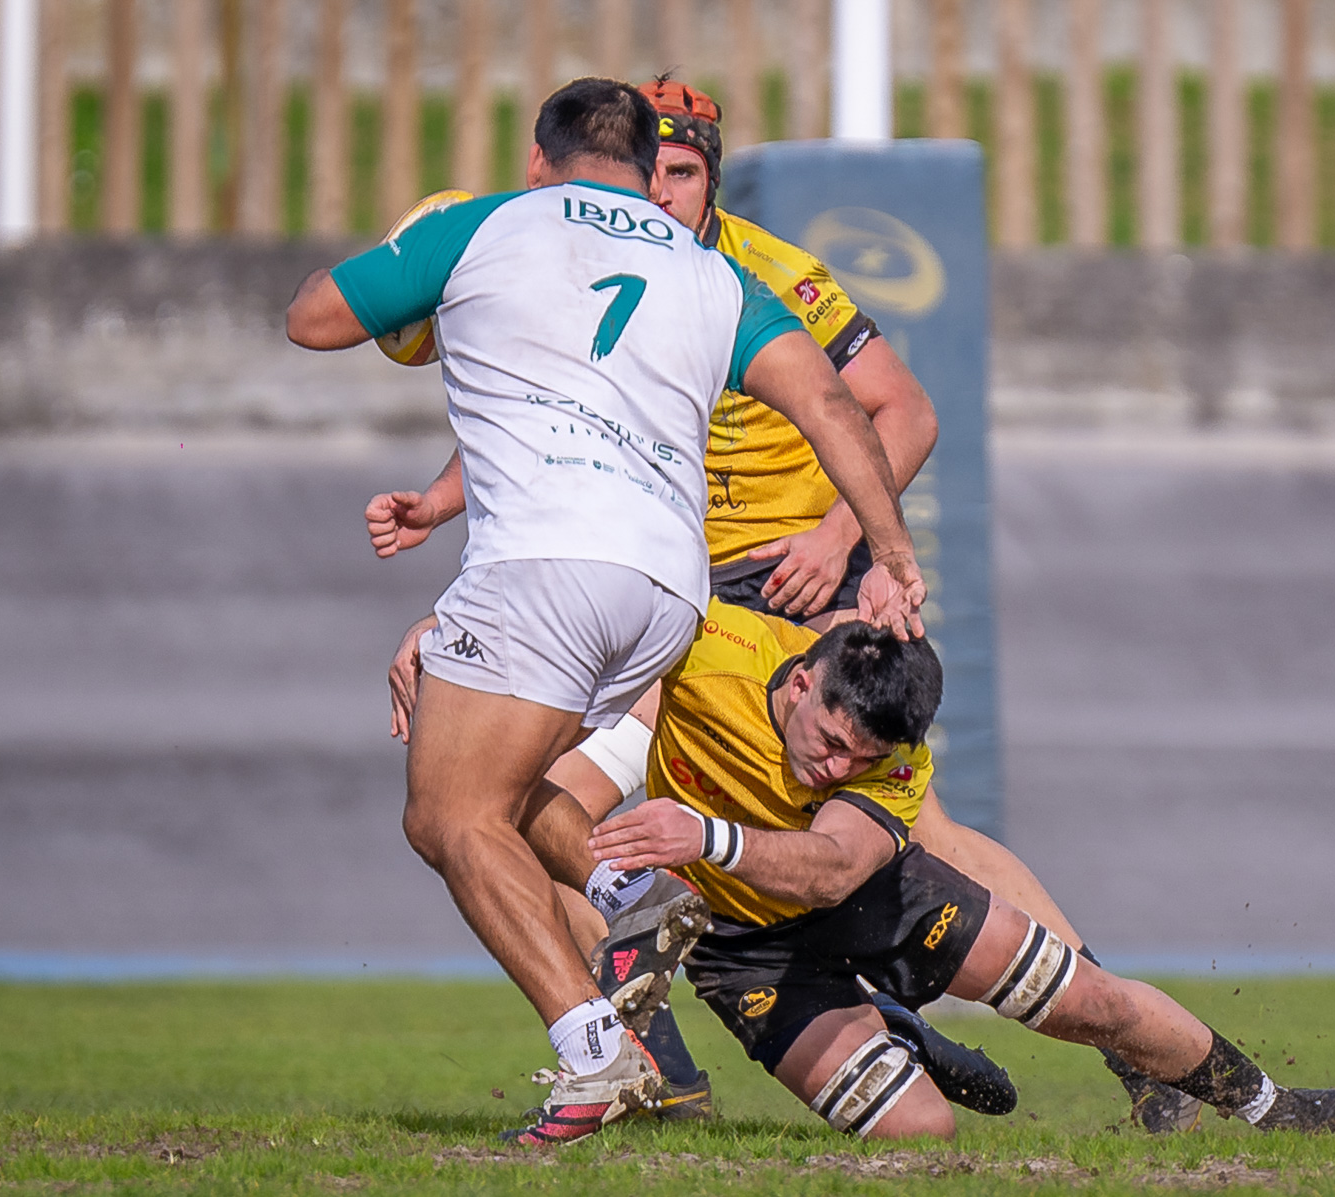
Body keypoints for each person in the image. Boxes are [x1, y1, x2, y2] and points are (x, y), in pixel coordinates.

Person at [367, 78, 1201, 1132]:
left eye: (682, 172)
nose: (661, 191)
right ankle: (658, 1069)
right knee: (533, 802)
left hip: (780, 588)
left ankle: (1123, 1044)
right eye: (647, 170)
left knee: (920, 836)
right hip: (661, 594)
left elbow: (904, 408)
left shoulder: (770, 276)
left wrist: (840, 537)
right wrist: (444, 517)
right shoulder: (595, 265)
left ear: (712, 178)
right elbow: (545, 426)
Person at [285, 77, 928, 1147]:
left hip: (549, 565)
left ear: (540, 159)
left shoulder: (489, 223)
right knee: (511, 783)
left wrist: (404, 260)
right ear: (645, 168)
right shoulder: (710, 271)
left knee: (447, 817)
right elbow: (829, 404)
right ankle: (628, 886)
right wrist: (891, 554)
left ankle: (594, 1058)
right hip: (668, 593)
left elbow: (314, 322)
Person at [580, 599, 1335, 1140]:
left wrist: (708, 837)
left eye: (855, 759)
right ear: (800, 683)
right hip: (743, 949)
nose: (832, 769)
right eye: (828, 743)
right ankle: (896, 1030)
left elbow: (833, 871)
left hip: (868, 898)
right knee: (920, 1138)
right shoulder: (703, 645)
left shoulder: (891, 761)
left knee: (1095, 1002)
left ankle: (1279, 1109)